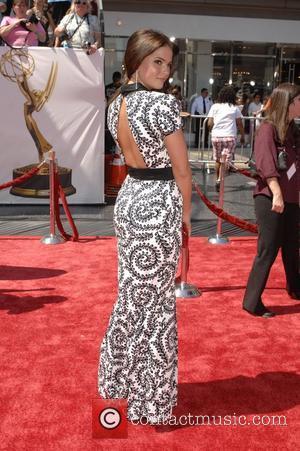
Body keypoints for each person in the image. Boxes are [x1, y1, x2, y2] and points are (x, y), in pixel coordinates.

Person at [98, 29, 192, 424]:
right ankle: (150, 403)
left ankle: (115, 388)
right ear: (137, 59)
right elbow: (183, 171)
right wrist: (185, 222)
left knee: (132, 298)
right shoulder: (162, 105)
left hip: (131, 198)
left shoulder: (116, 103)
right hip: (158, 205)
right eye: (157, 60)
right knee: (154, 306)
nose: (164, 70)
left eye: (168, 63)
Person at [243, 83, 300, 318]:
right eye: (299, 100)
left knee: (292, 247)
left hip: (292, 198)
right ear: (288, 103)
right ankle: (251, 302)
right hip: (270, 199)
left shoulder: (293, 131)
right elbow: (266, 164)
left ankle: (295, 288)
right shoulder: (267, 129)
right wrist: (276, 192)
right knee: (267, 250)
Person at [207, 86, 245, 191]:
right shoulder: (234, 108)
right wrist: (242, 136)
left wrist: (211, 131)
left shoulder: (214, 106)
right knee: (226, 160)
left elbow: (210, 123)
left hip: (216, 136)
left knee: (218, 160)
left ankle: (217, 179)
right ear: (232, 97)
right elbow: (240, 124)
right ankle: (220, 179)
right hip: (229, 136)